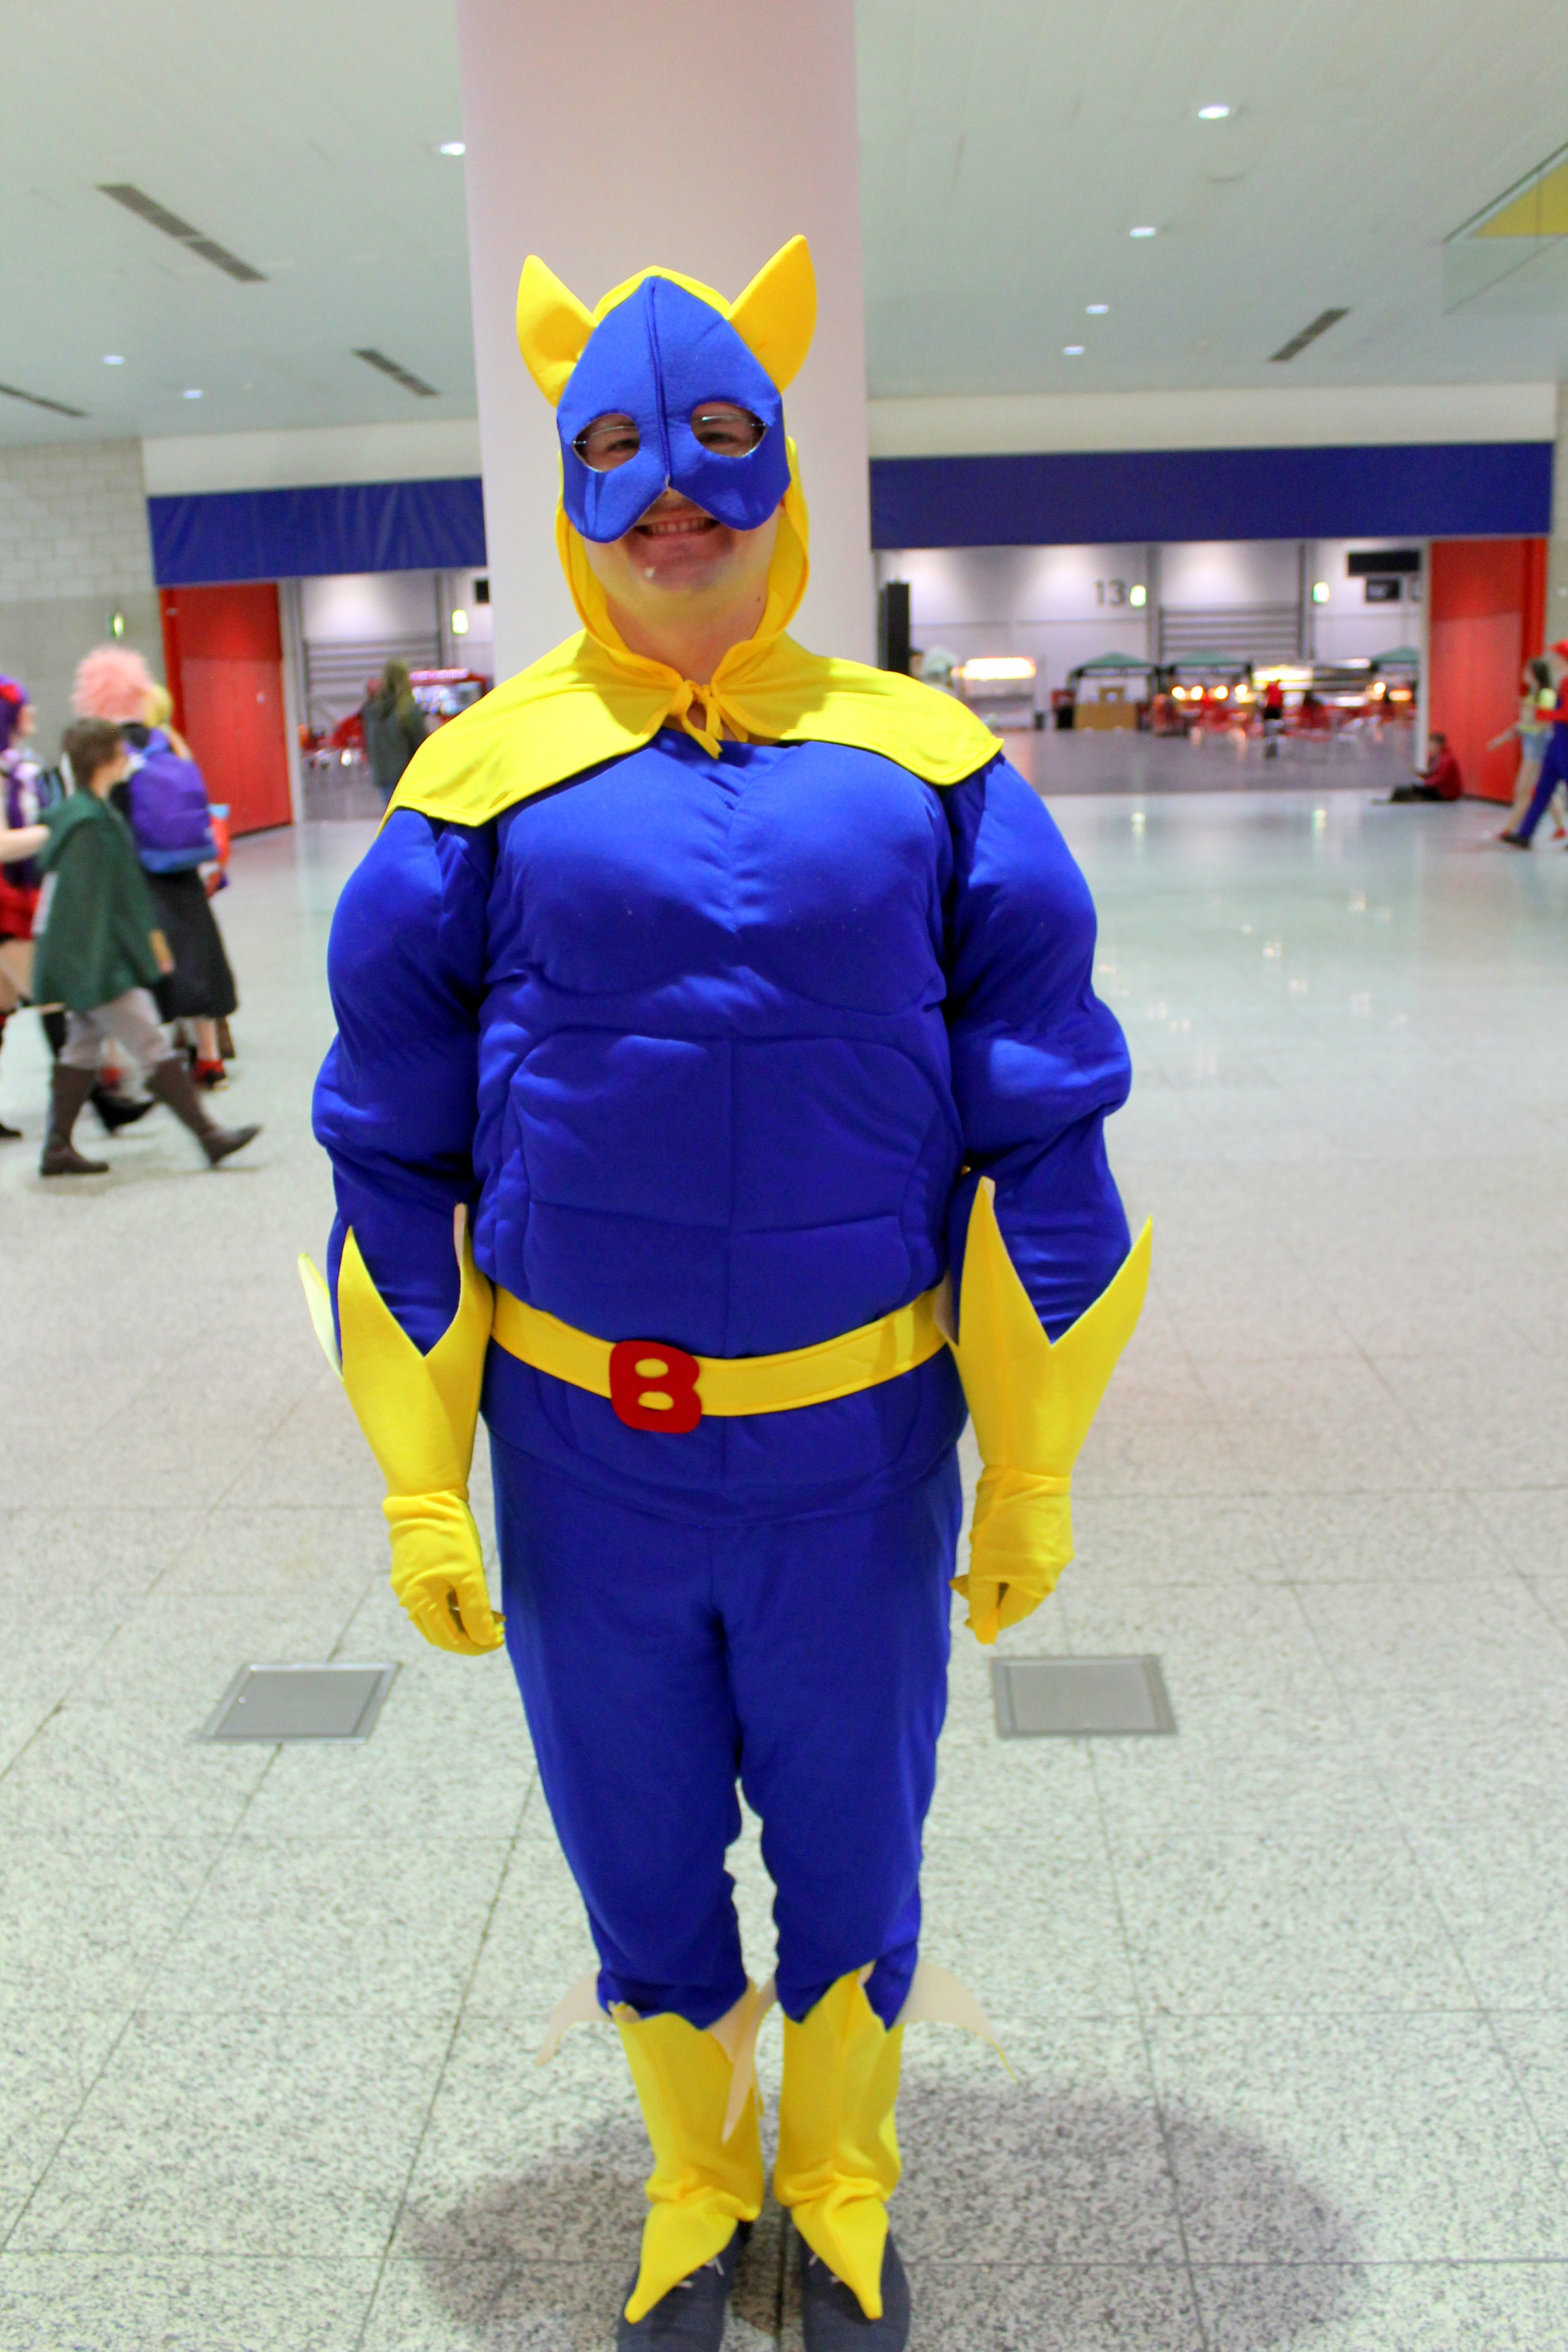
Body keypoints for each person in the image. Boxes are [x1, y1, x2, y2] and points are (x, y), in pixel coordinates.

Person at [308, 238, 1148, 2352]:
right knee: (636, 1847)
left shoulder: (925, 767)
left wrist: (1031, 1464)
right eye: (613, 447)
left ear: (781, 466)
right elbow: (390, 1158)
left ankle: (838, 2184)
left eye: (714, 444)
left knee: (856, 1844)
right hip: (584, 1459)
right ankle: (697, 2182)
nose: (669, 496)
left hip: (855, 1453)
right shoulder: (468, 792)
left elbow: (1043, 1135)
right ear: (564, 485)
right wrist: (416, 1477)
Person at [0, 717, 259, 1176]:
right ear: (105, 762)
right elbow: (97, 907)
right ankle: (210, 1137)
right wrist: (142, 953)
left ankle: (57, 1148)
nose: (128, 761)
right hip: (99, 964)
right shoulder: (91, 825)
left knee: (80, 1050)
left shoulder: (86, 816)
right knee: (152, 1046)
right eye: (121, 754)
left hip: (90, 962)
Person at [73, 650, 239, 1086]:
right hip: (179, 868)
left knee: (120, 967)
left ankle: (113, 1064)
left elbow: (98, 810)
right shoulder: (167, 740)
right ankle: (209, 1059)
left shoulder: (105, 748)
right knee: (196, 955)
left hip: (130, 872)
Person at [1502, 641, 1568, 848]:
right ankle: (1525, 834)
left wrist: (1544, 714)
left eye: (1556, 656)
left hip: (1563, 744)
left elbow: (1565, 714)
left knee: (1540, 791)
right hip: (1556, 745)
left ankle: (1524, 832)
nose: (1553, 660)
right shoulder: (1562, 683)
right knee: (1542, 791)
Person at [1491, 660, 1556, 835]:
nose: (1524, 673)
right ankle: (1560, 828)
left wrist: (1530, 711)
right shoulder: (1530, 696)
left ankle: (1510, 829)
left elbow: (1544, 722)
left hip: (1539, 745)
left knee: (1523, 789)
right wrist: (1502, 739)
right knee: (1540, 789)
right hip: (1530, 744)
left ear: (1534, 673)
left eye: (1527, 670)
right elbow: (1524, 725)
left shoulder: (1546, 695)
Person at [359, 659, 428, 802]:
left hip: (383, 776)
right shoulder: (407, 709)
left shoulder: (372, 709)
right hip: (406, 778)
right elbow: (421, 745)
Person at [1388, 731, 1462, 802]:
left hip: (1445, 793)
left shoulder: (1447, 759)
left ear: (1438, 745)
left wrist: (1424, 783)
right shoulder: (1440, 757)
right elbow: (1434, 775)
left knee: (1406, 790)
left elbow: (1441, 778)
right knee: (1405, 789)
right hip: (1440, 790)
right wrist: (1421, 775)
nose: (1430, 748)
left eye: (1431, 745)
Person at [1261, 673, 1285, 759]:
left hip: (1270, 707)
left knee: (1267, 723)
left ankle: (1267, 735)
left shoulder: (1272, 687)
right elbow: (1282, 700)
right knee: (1276, 724)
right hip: (1277, 709)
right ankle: (1275, 734)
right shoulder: (1281, 691)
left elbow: (1265, 690)